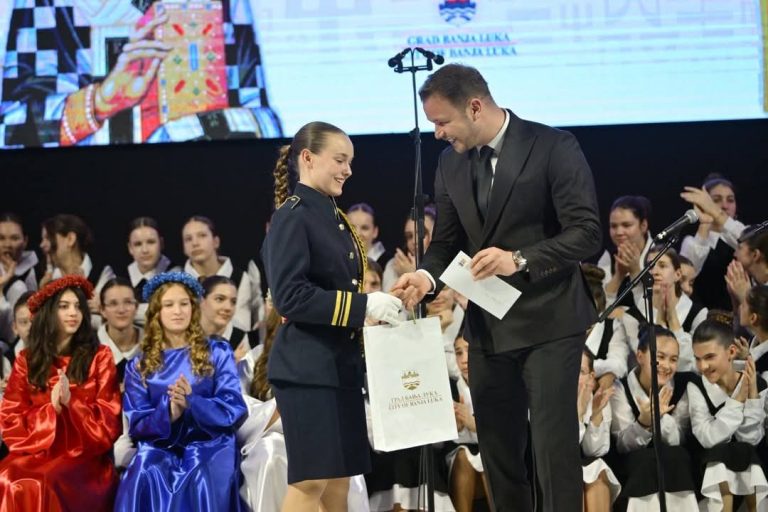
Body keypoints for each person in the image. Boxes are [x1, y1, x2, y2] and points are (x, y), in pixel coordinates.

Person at [392, 64, 602, 512]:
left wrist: (518, 259)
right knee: (499, 455)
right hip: (489, 326)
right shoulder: (450, 163)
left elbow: (586, 233)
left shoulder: (553, 146)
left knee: (551, 452)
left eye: (442, 122)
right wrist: (425, 278)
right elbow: (445, 242)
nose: (437, 134)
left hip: (550, 323)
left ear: (474, 107)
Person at [261, 121, 401, 512]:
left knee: (339, 482)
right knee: (311, 481)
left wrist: (376, 306)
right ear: (308, 158)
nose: (348, 170)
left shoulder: (333, 217)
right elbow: (290, 297)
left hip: (339, 364)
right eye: (340, 160)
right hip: (307, 368)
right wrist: (363, 306)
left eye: (350, 161)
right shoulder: (293, 216)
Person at [114, 271, 247, 511]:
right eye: (169, 305)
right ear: (157, 312)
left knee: (199, 473)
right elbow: (138, 424)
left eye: (184, 304)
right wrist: (170, 412)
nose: (178, 311)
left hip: (209, 442)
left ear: (193, 308)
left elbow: (233, 406)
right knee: (145, 468)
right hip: (161, 444)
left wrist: (192, 403)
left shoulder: (217, 351)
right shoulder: (139, 365)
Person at [0, 275, 122, 510]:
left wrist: (71, 403)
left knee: (45, 481)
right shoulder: (27, 360)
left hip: (84, 458)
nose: (73, 313)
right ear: (49, 312)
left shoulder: (100, 356)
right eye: (64, 306)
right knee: (7, 476)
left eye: (77, 306)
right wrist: (51, 410)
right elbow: (11, 420)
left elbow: (110, 424)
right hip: (37, 452)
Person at [610, 326, 698, 510]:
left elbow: (678, 439)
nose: (666, 365)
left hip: (673, 464)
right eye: (660, 357)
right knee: (643, 461)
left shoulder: (683, 385)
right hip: (634, 467)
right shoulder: (620, 388)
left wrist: (661, 417)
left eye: (673, 359)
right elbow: (622, 445)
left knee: (677, 455)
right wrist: (644, 422)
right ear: (640, 356)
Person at [688, 320, 768, 511]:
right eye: (698, 359)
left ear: (731, 352)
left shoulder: (756, 382)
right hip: (707, 470)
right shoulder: (695, 386)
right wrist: (738, 400)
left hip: (749, 464)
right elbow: (708, 438)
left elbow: (751, 439)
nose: (703, 366)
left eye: (709, 357)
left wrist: (753, 396)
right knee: (720, 454)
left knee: (745, 452)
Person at [680, 176, 746, 310]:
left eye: (730, 200)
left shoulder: (743, 236)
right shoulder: (691, 241)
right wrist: (705, 222)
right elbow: (685, 276)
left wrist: (717, 213)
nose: (725, 206)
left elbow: (748, 240)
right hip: (702, 316)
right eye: (716, 200)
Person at [182, 215, 253, 332]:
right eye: (188, 239)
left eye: (202, 235)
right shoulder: (178, 281)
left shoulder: (239, 277)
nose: (195, 243)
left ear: (216, 241)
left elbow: (242, 325)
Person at [577, 350, 620, 511]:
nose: (574, 377)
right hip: (557, 466)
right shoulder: (548, 401)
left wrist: (595, 414)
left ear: (591, 377)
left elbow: (595, 451)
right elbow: (561, 450)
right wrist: (579, 414)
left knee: (598, 470)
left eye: (581, 372)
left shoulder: (597, 398)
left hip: (584, 465)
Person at [596, 196, 653, 316]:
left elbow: (654, 310)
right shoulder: (608, 257)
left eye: (626, 225)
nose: (619, 232)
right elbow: (597, 309)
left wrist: (635, 272)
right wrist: (618, 276)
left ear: (643, 225)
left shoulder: (660, 256)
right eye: (613, 226)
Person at [122, 217, 179, 326]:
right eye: (138, 244)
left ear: (161, 243)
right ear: (130, 248)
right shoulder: (119, 276)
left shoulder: (176, 275)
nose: (145, 250)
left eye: (151, 242)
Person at [0, 213, 37, 343]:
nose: (7, 244)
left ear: (25, 241)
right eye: (1, 238)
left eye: (14, 238)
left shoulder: (37, 269)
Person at [200, 275, 254, 361]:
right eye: (219, 299)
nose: (228, 307)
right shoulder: (183, 333)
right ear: (201, 301)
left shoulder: (238, 337)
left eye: (233, 302)